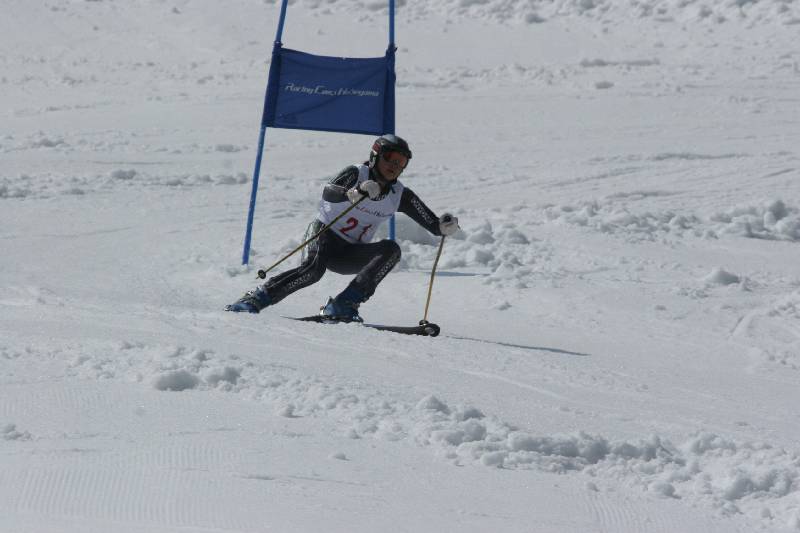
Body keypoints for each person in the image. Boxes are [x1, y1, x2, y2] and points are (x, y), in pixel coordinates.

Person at [226, 134, 461, 322]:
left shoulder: (400, 194)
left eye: (401, 162)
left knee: (391, 250)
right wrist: (355, 192)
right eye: (390, 157)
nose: (394, 165)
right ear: (375, 156)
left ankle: (343, 304)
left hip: (349, 253)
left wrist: (444, 226)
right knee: (312, 272)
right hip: (324, 235)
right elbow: (329, 192)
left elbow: (433, 225)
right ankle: (255, 298)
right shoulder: (356, 173)